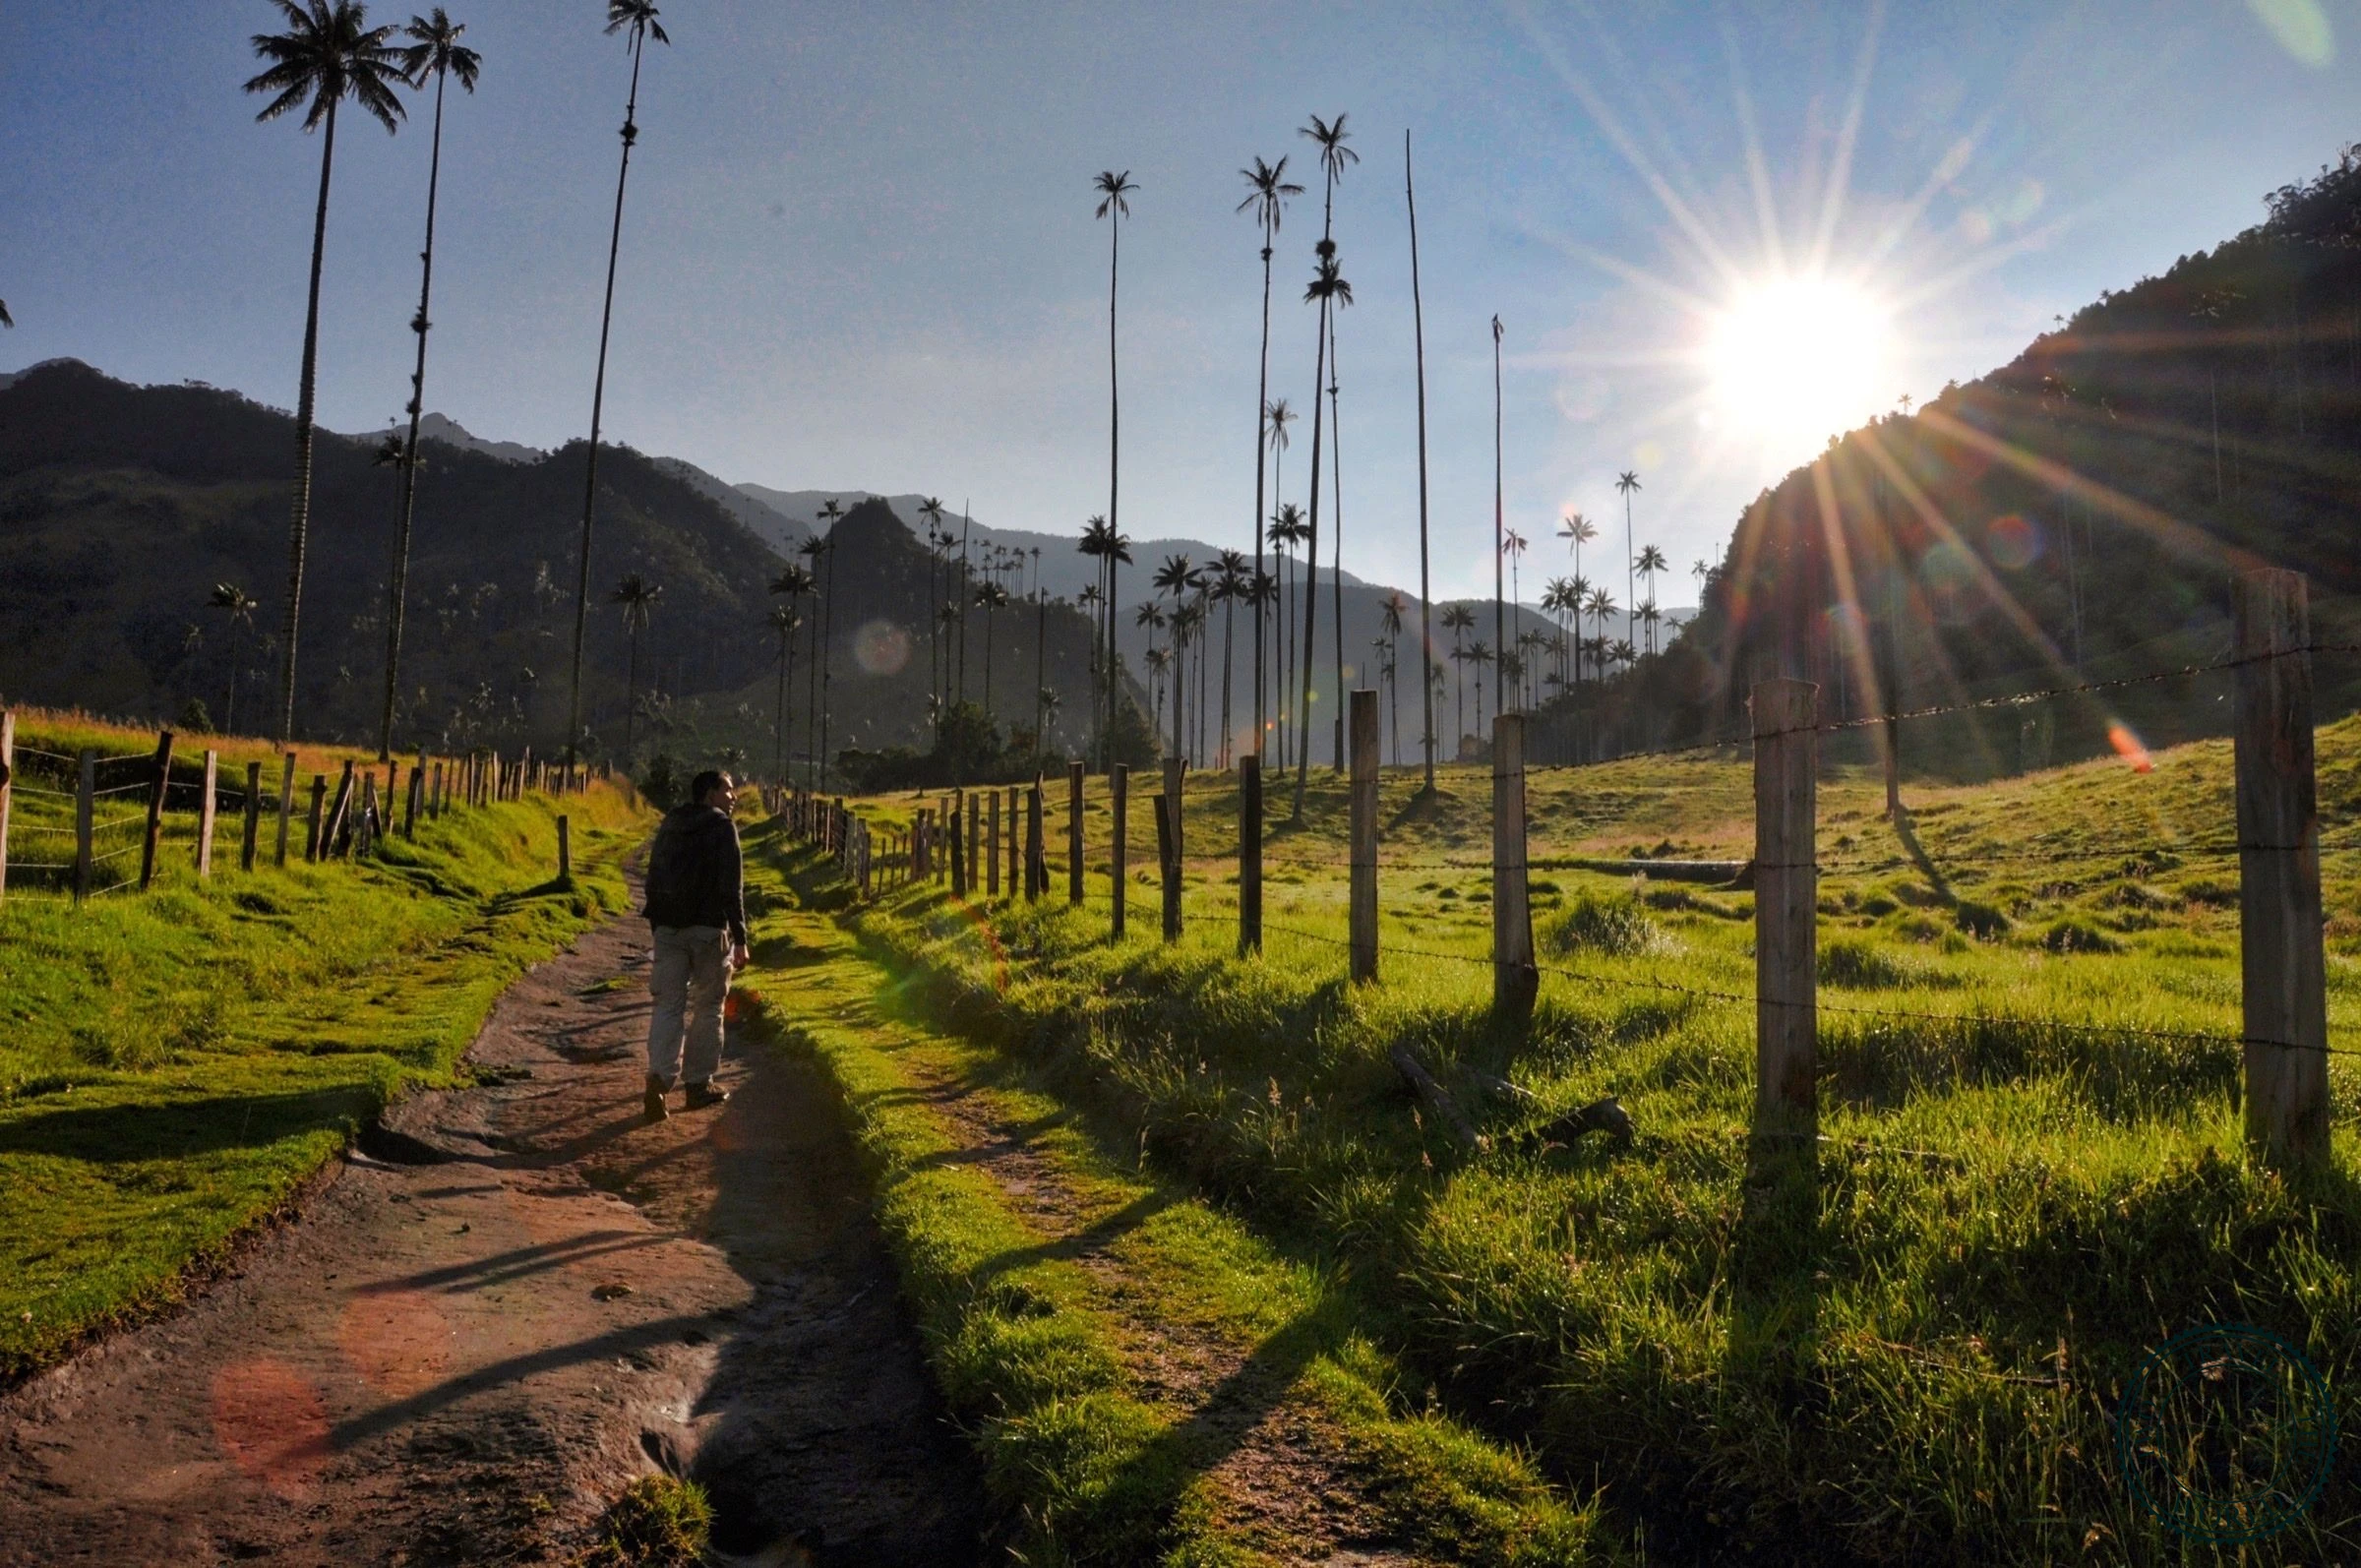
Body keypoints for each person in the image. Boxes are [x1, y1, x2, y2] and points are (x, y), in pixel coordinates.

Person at [639, 768, 749, 1122]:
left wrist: (658, 923)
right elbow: (732, 888)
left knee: (668, 1006)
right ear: (710, 793)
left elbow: (653, 874)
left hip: (668, 929)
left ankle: (658, 1080)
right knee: (709, 1006)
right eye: (728, 790)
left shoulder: (671, 823)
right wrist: (741, 938)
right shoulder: (721, 828)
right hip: (707, 931)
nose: (733, 797)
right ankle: (698, 1085)